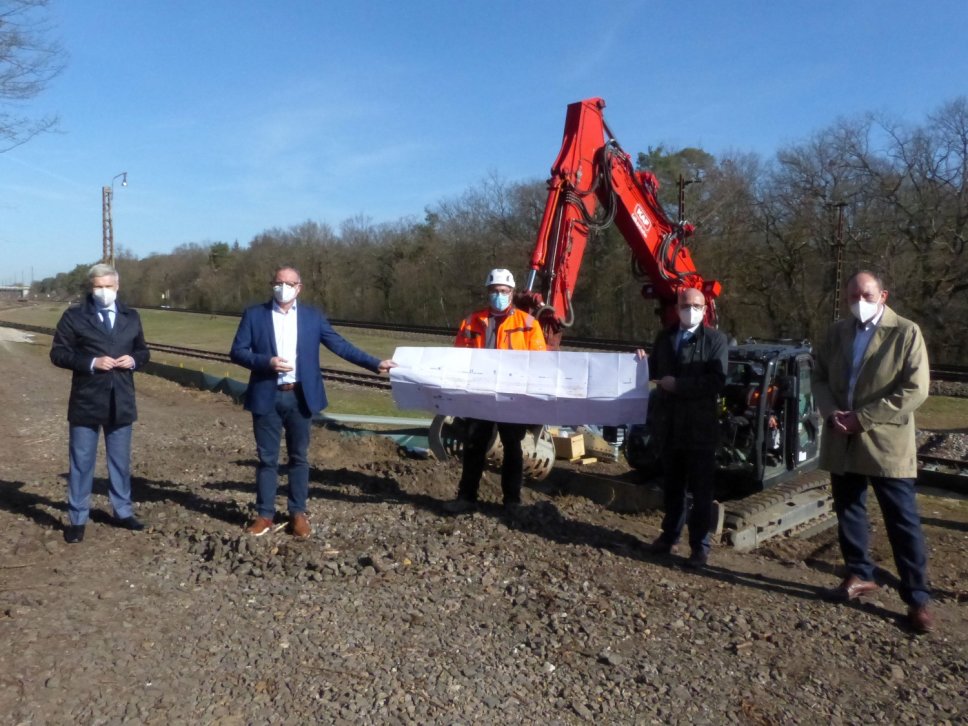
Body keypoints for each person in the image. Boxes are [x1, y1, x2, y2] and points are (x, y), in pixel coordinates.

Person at [230, 266, 395, 538]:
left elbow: (340, 345)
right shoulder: (254, 315)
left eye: (289, 283)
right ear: (272, 284)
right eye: (278, 283)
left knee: (299, 457)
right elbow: (237, 352)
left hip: (300, 397)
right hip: (266, 395)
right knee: (267, 459)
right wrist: (265, 362)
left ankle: (297, 513)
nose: (283, 287)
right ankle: (265, 514)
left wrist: (374, 363)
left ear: (299, 287)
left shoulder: (312, 317)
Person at [813, 270, 933, 633]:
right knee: (849, 510)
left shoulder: (906, 332)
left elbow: (916, 389)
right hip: (841, 437)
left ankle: (917, 598)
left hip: (885, 442)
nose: (858, 303)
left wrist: (863, 419)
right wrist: (832, 412)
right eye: (852, 297)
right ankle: (859, 573)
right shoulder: (837, 332)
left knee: (902, 520)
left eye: (865, 295)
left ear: (883, 295)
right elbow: (818, 375)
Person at [50, 263, 151, 543]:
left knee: (120, 462)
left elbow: (143, 350)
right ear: (91, 288)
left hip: (122, 399)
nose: (103, 291)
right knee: (82, 462)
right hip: (86, 400)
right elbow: (58, 353)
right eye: (98, 287)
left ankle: (122, 511)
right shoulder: (74, 317)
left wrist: (135, 360)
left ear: (117, 287)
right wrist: (91, 363)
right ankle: (77, 518)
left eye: (108, 286)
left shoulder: (131, 317)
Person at [444, 268, 547, 514]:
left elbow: (541, 363)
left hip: (512, 396)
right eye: (494, 291)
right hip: (480, 395)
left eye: (503, 291)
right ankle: (466, 498)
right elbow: (458, 357)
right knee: (474, 446)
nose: (498, 295)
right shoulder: (471, 322)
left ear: (512, 293)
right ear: (488, 292)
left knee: (513, 447)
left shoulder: (529, 324)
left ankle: (512, 502)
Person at [640, 286, 728, 568]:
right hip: (670, 425)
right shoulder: (665, 338)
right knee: (673, 487)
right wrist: (641, 363)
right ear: (677, 308)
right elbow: (654, 369)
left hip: (700, 428)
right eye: (685, 305)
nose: (691, 310)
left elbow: (716, 381)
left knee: (701, 491)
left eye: (697, 305)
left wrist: (679, 386)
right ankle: (669, 536)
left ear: (705, 309)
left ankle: (699, 546)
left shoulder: (715, 341)